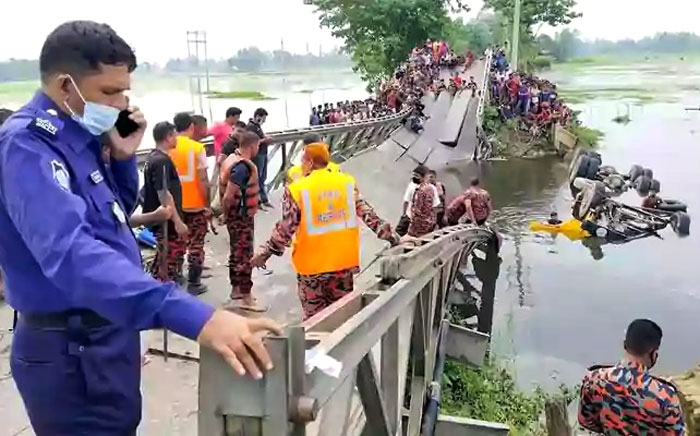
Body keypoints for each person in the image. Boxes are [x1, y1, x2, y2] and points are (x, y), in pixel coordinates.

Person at [0, 20, 281, 435]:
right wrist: (196, 318)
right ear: (65, 87)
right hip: (70, 350)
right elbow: (72, 255)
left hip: (106, 338)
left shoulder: (81, 135)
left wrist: (124, 156)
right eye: (109, 92)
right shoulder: (27, 145)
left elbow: (110, 219)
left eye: (125, 91)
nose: (120, 104)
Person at [250, 143, 401, 319]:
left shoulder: (297, 189)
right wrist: (393, 237)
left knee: (316, 321)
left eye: (303, 160)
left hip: (312, 268)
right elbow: (368, 214)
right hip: (342, 264)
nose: (301, 164)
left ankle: (321, 346)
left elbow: (285, 228)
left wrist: (266, 253)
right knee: (343, 315)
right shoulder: (346, 183)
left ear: (311, 162)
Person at [579, 319, 685, 435]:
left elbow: (585, 420)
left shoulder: (594, 379)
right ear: (654, 353)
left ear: (625, 344)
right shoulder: (665, 396)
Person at [219, 131, 267, 312]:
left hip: (235, 217)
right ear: (252, 146)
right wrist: (225, 214)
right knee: (244, 255)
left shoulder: (232, 158)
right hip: (240, 217)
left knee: (235, 253)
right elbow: (229, 196)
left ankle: (236, 291)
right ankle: (246, 297)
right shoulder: (242, 167)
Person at [142, 121, 189, 282]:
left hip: (161, 216)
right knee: (169, 256)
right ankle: (161, 290)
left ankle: (154, 282)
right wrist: (177, 221)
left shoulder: (152, 157)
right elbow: (163, 193)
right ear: (168, 137)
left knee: (163, 254)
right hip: (165, 220)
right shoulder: (161, 161)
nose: (176, 138)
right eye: (174, 135)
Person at [170, 112, 211, 294]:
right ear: (192, 127)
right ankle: (194, 282)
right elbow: (203, 179)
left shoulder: (167, 147)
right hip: (194, 204)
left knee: (176, 242)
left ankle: (175, 277)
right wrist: (207, 204)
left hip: (174, 205)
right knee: (196, 244)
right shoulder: (197, 148)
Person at [400, 166, 441, 235]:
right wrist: (433, 221)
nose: (414, 178)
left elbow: (413, 208)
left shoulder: (418, 189)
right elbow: (435, 206)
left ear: (423, 177)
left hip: (416, 223)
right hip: (428, 223)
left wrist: (404, 215)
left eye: (416, 176)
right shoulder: (432, 188)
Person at [247, 108, 274, 209]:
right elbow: (253, 141)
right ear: (258, 116)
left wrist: (265, 138)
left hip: (263, 153)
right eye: (263, 118)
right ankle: (257, 201)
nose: (264, 121)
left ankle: (263, 199)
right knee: (257, 178)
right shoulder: (251, 127)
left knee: (262, 177)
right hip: (258, 154)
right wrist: (265, 140)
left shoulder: (257, 126)